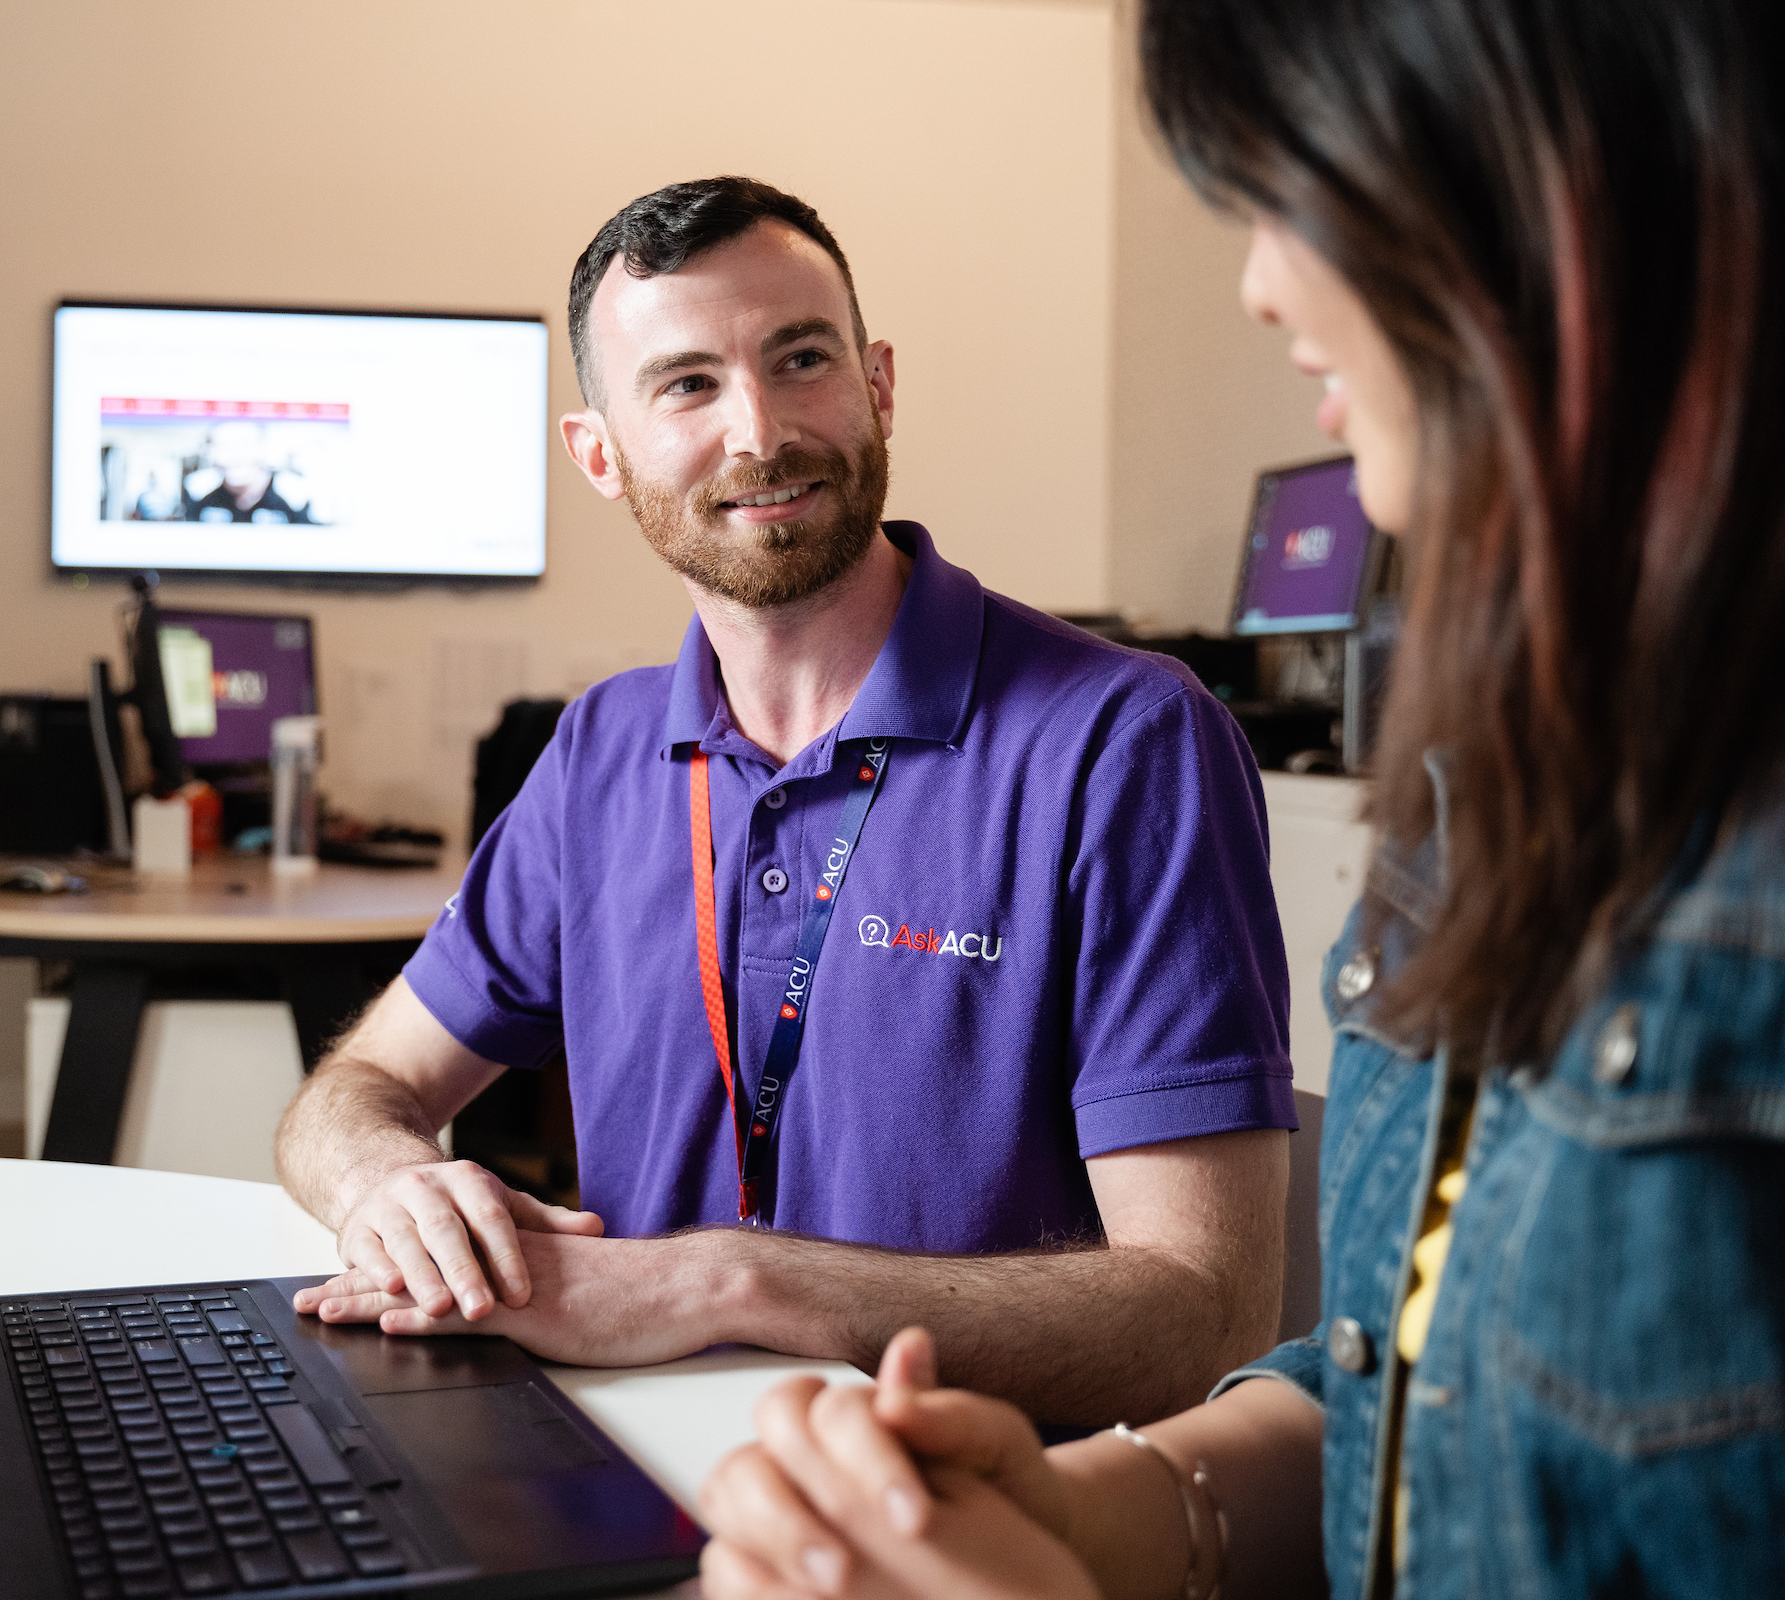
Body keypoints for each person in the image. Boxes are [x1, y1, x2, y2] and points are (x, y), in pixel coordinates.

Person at [695, 0, 1785, 1594]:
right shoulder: (1497, 783)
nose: (1263, 283)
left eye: (1295, 188)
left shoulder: (1123, 735)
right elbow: (1413, 1389)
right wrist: (1099, 1510)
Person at [272, 176, 1301, 1428]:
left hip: (961, 1513)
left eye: (799, 358)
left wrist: (726, 1280)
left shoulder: (1124, 740)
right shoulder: (600, 749)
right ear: (602, 454)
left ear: (877, 384)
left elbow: (1208, 1310)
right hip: (618, 1475)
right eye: (688, 384)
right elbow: (360, 1084)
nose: (759, 432)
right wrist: (387, 1181)